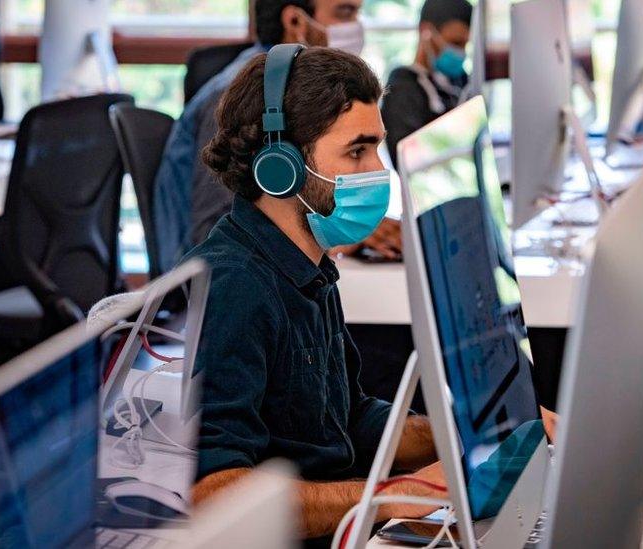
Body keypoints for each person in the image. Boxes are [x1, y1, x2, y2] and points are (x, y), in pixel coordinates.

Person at [183, 46, 444, 542]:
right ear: (279, 166)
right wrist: (394, 497)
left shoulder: (308, 265)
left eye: (377, 148)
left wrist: (464, 439)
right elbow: (210, 494)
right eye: (357, 150)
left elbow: (348, 420)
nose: (377, 170)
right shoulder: (233, 287)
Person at [151, 0, 402, 274]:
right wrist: (329, 234)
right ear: (295, 22)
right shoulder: (247, 99)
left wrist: (339, 225)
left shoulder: (300, 96)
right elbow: (210, 235)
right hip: (201, 287)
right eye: (344, 12)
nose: (356, 27)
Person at [381, 0, 472, 167]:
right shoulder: (402, 85)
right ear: (426, 31)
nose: (461, 53)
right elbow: (406, 161)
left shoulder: (463, 83)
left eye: (466, 45)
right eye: (455, 43)